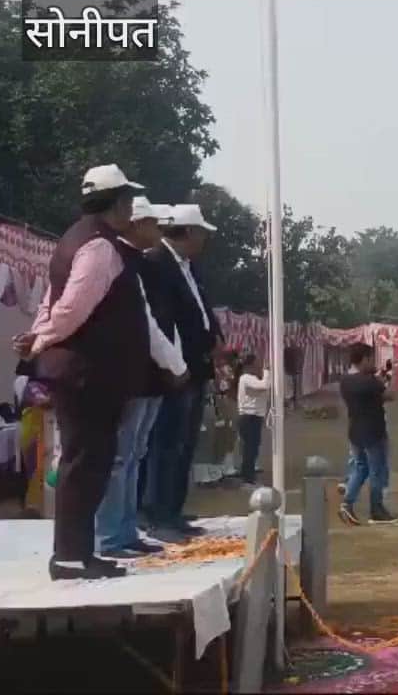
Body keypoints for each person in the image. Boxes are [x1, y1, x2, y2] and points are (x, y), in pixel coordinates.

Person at [13, 165, 157, 579]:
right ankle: (71, 557)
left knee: (87, 462)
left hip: (85, 373)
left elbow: (53, 301)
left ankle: (76, 553)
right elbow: (73, 307)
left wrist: (39, 333)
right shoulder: (100, 247)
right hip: (87, 373)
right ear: (117, 203)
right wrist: (42, 339)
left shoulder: (78, 238)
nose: (131, 208)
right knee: (86, 464)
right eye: (128, 200)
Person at [93, 196, 188, 559]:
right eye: (151, 224)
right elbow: (144, 324)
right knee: (121, 458)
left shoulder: (142, 263)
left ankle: (126, 529)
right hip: (135, 371)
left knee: (135, 454)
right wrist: (174, 363)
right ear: (135, 225)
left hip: (152, 371)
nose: (158, 231)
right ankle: (110, 536)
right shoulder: (120, 260)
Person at [144, 204, 223, 543]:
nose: (205, 240)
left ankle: (173, 510)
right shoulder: (157, 263)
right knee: (166, 444)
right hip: (176, 367)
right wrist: (175, 363)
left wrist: (214, 337)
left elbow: (202, 309)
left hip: (197, 365)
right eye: (202, 233)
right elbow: (163, 319)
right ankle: (157, 514)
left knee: (185, 444)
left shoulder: (189, 266)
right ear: (188, 231)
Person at [339, 343, 398, 525]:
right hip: (373, 431)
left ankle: (347, 503)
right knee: (377, 471)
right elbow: (390, 395)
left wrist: (380, 376)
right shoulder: (368, 382)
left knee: (360, 468)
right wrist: (396, 374)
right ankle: (376, 510)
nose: (373, 362)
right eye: (371, 359)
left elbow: (372, 396)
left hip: (355, 431)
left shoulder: (345, 381)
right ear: (364, 359)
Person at [235, 353, 271, 486]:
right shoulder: (246, 378)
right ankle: (247, 478)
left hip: (255, 417)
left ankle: (249, 475)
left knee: (253, 447)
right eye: (257, 363)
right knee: (249, 448)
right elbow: (263, 386)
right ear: (250, 365)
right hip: (248, 417)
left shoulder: (254, 378)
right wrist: (267, 371)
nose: (259, 366)